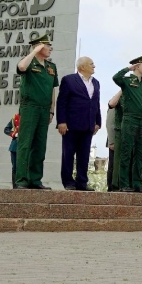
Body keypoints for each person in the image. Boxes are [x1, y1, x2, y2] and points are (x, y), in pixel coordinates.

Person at [14, 34, 58, 189]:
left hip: (44, 110)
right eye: (47, 46)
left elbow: (52, 90)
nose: (50, 48)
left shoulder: (51, 67)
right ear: (39, 46)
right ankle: (21, 180)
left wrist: (52, 111)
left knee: (40, 146)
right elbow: (21, 67)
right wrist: (34, 51)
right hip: (29, 108)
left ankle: (35, 180)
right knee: (25, 144)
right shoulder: (29, 62)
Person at [56, 57, 101, 191]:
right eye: (91, 64)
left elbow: (96, 103)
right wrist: (61, 121)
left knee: (84, 155)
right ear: (82, 67)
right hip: (71, 124)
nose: (94, 66)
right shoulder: (69, 80)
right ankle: (68, 182)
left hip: (88, 125)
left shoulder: (96, 83)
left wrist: (98, 122)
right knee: (68, 154)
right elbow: (62, 102)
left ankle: (82, 182)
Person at [113, 55, 142, 193]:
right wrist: (129, 68)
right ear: (137, 66)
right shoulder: (127, 80)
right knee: (126, 152)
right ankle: (124, 183)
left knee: (139, 153)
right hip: (130, 119)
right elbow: (116, 77)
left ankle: (137, 183)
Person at [3, 113, 20, 188]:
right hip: (15, 146)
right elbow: (6, 129)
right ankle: (15, 186)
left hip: (27, 146)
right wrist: (14, 134)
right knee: (15, 167)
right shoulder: (15, 118)